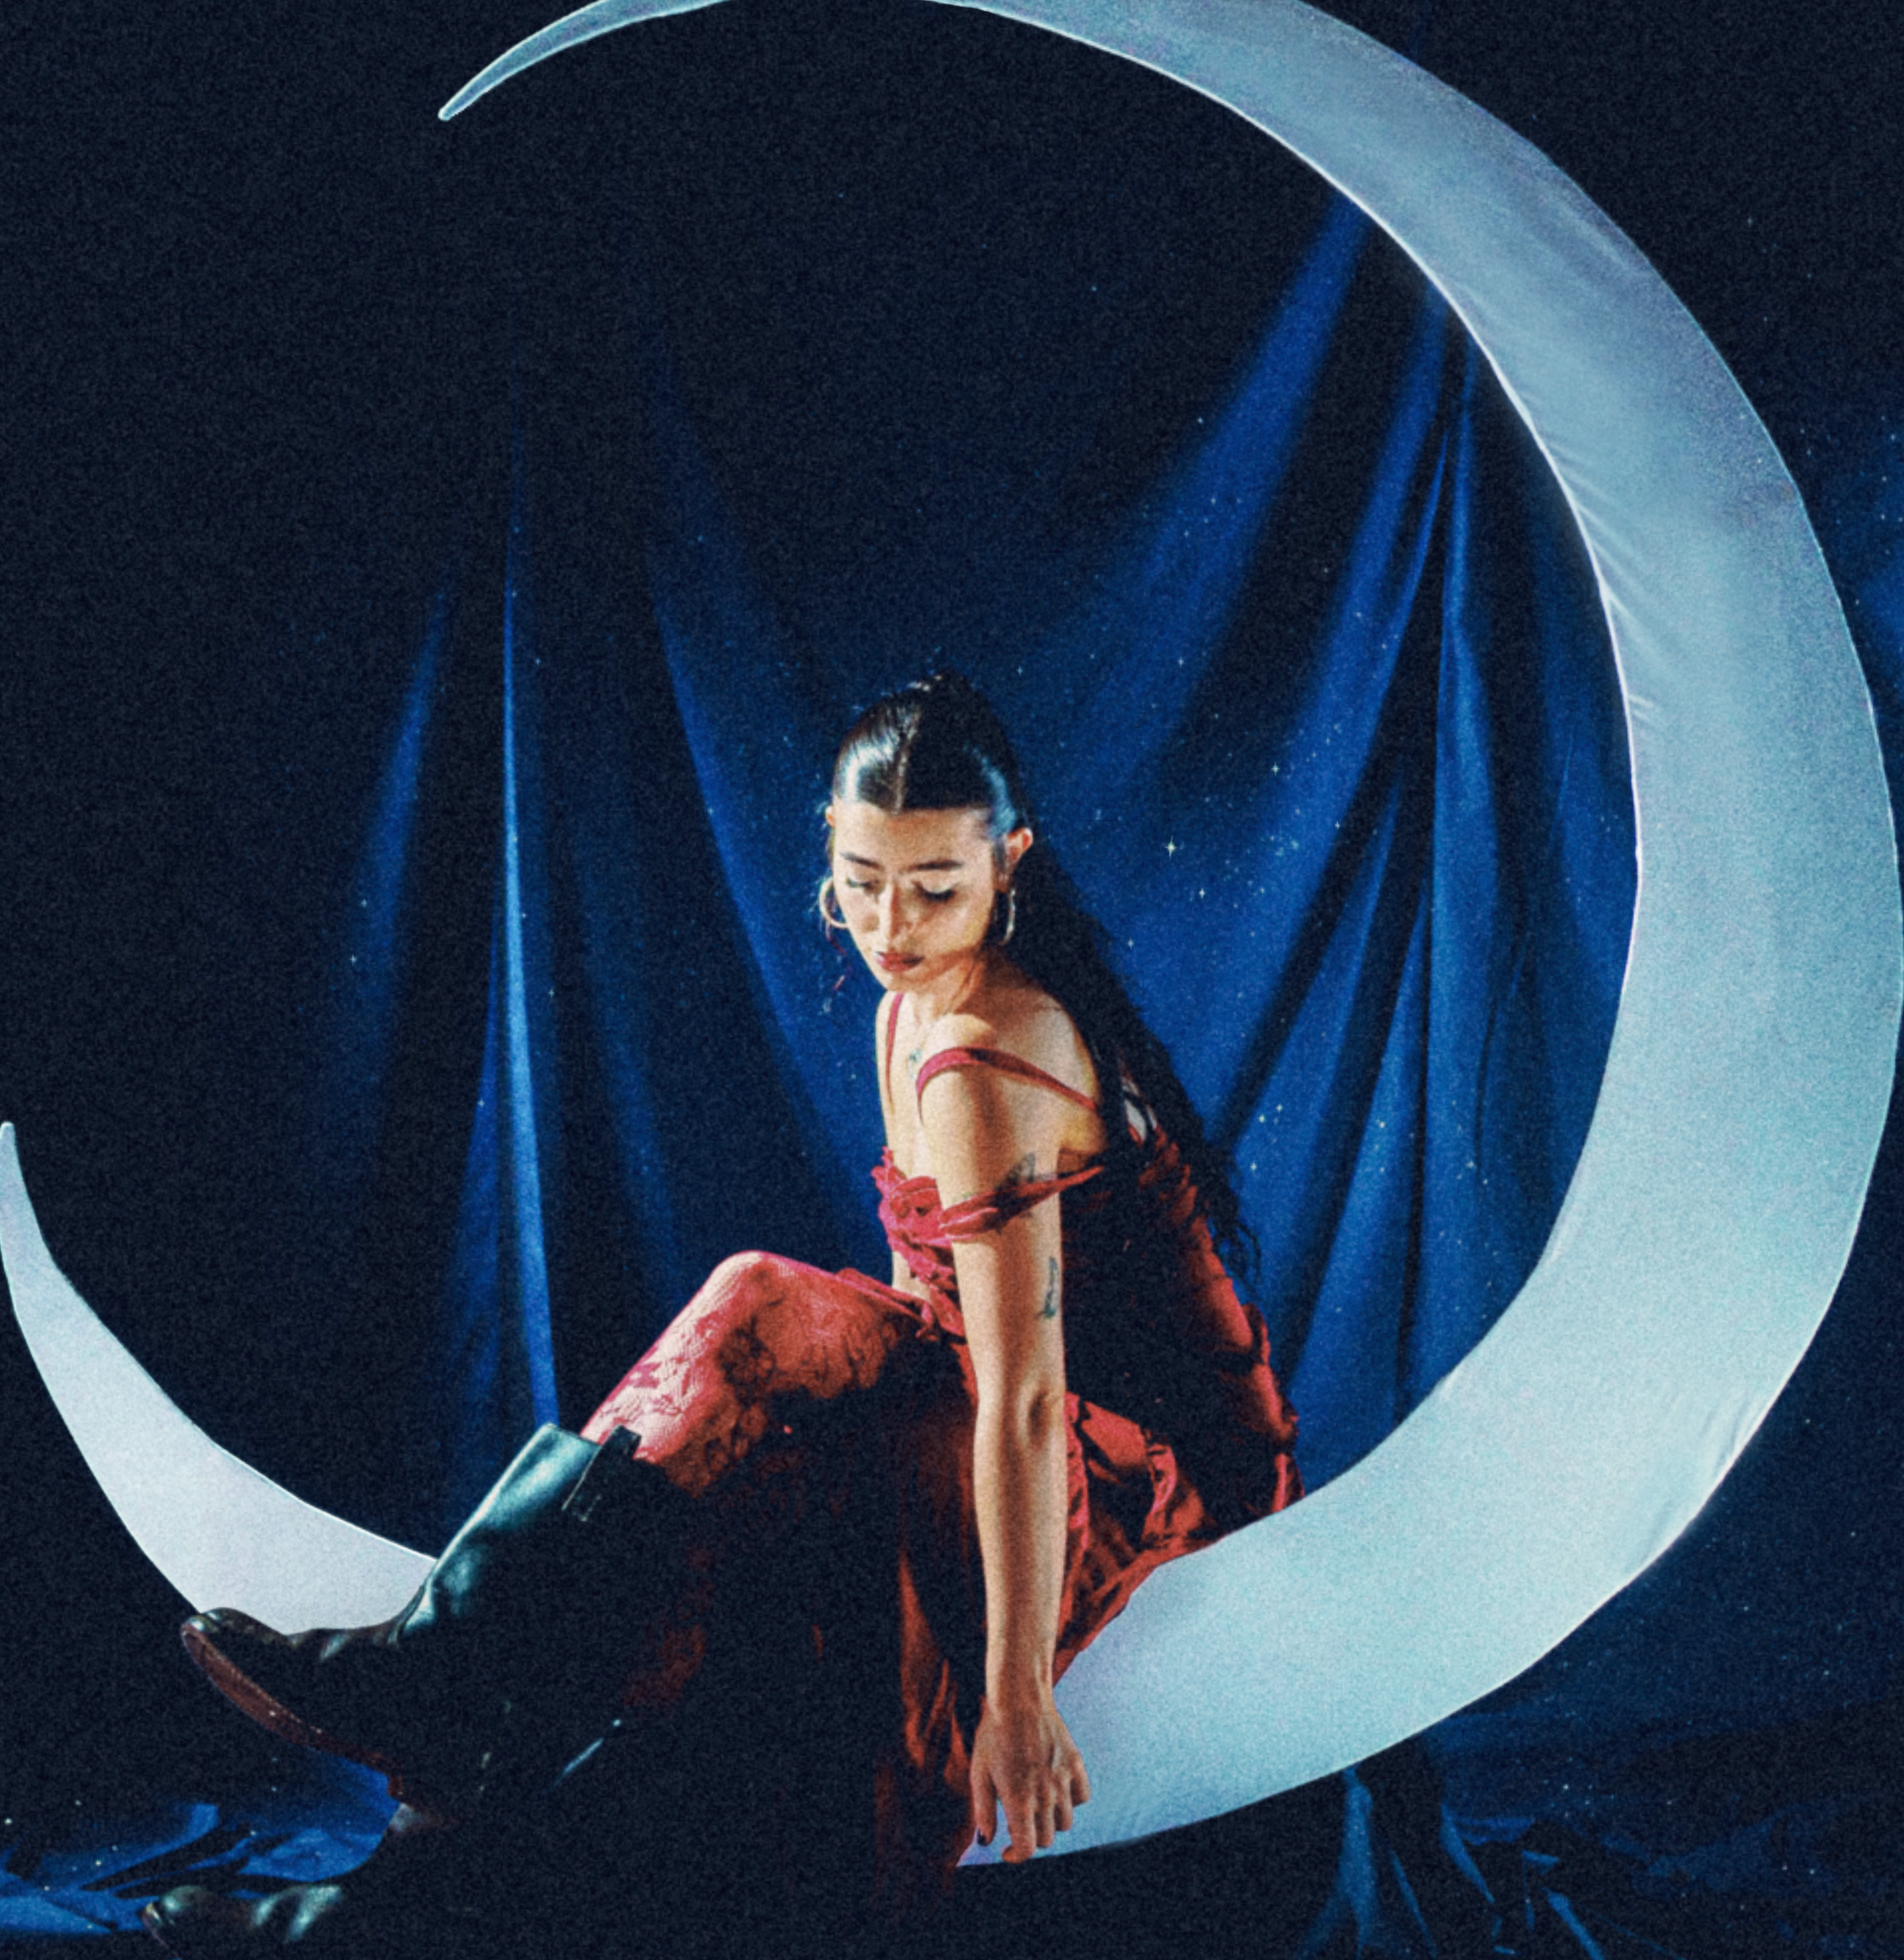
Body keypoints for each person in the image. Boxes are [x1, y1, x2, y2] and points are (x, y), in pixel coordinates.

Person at [141, 672, 1301, 1957]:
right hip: (1002, 1405)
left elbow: (1025, 1399)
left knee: (774, 1424)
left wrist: (1016, 1691)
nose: (888, 924)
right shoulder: (906, 1007)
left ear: (1010, 861)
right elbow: (929, 1322)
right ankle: (408, 1820)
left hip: (1150, 1467)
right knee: (736, 1419)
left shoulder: (983, 1056)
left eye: (934, 888)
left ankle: (424, 1752)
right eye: (861, 879)